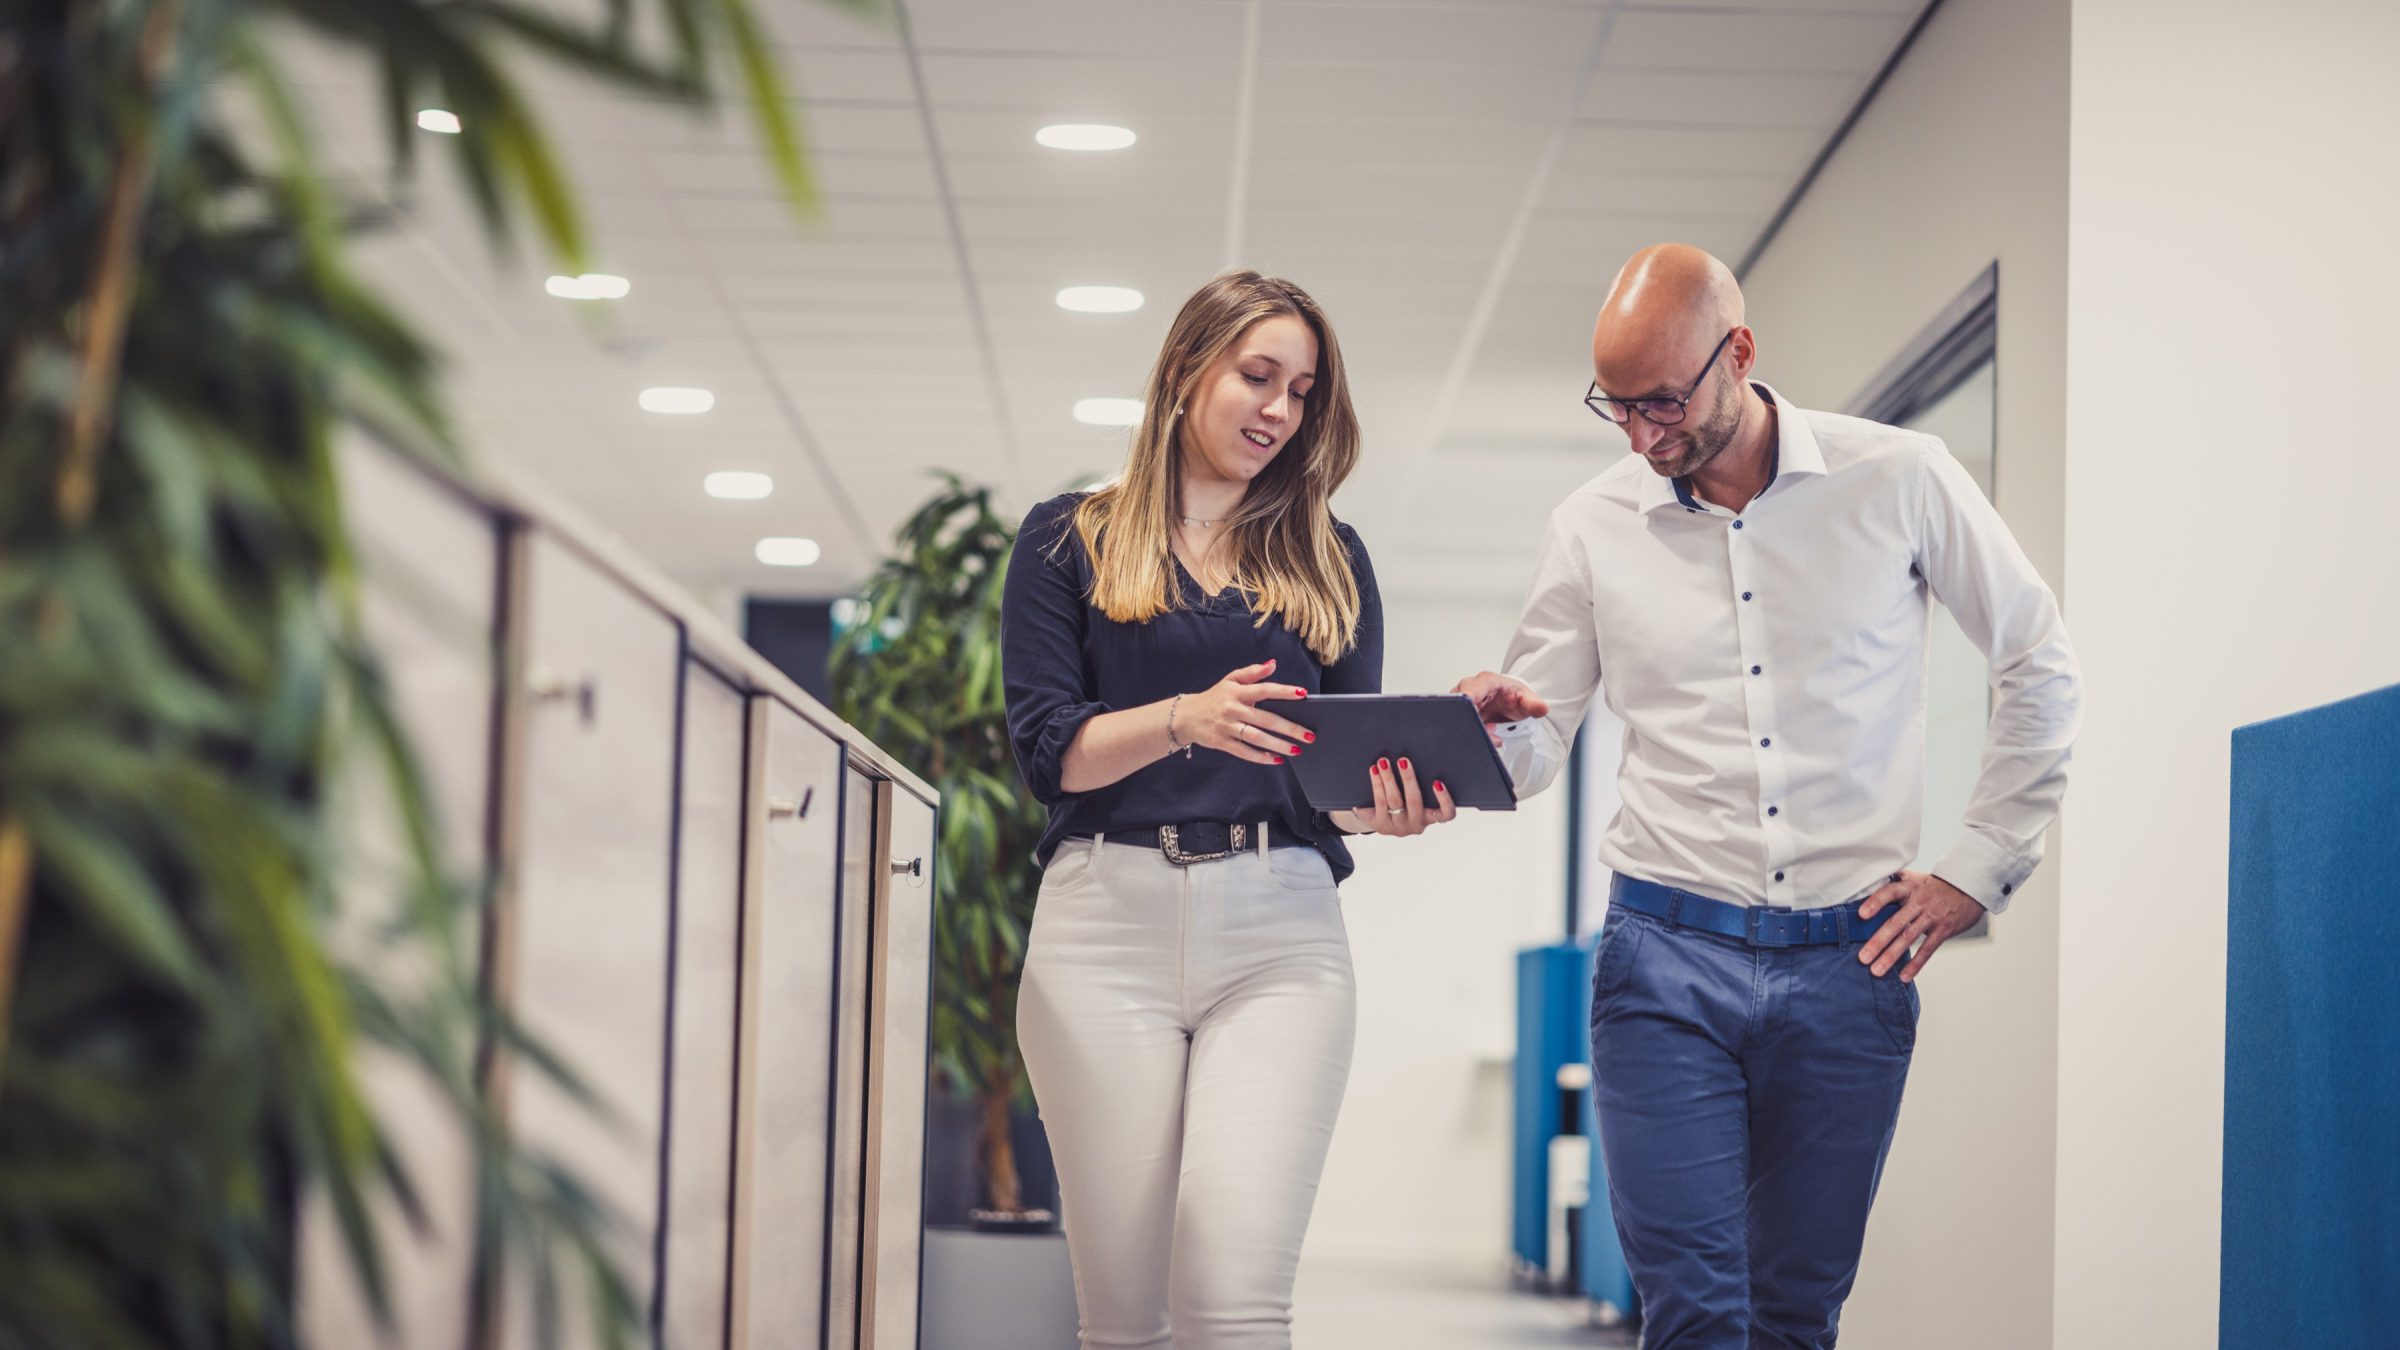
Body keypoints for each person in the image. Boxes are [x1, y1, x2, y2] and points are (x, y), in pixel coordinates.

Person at [1455, 244, 2082, 1349]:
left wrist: (1974, 872)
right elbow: (1533, 747)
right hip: (1663, 958)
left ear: (1737, 353)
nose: (1643, 438)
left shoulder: (1901, 478)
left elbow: (2039, 665)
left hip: (1852, 964)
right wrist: (1489, 728)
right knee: (1693, 1311)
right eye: (1618, 408)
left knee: (1796, 1315)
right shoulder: (1594, 523)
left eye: (1662, 402)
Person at [1002, 269, 1454, 1350]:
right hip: (1102, 929)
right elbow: (1047, 751)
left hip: (1281, 935)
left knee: (1233, 1298)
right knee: (1123, 1315)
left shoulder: (1331, 559)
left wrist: (1381, 806)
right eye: (1259, 377)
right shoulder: (1070, 539)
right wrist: (1181, 719)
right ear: (1184, 371)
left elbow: (1333, 779)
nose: (1279, 412)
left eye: (1301, 392)